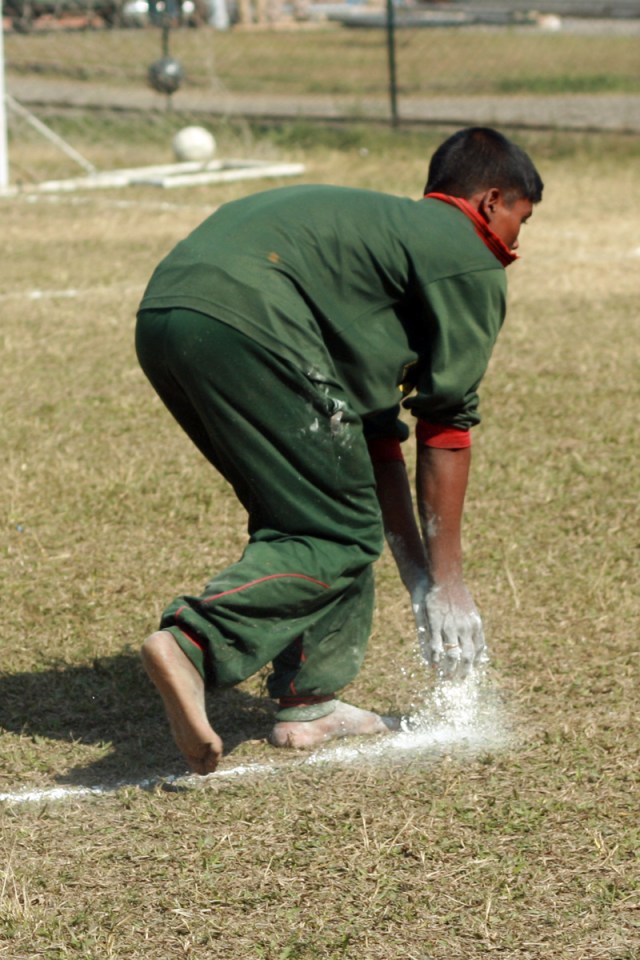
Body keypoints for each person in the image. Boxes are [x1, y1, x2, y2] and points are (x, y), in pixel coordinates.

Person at [135, 126, 543, 775]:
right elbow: (446, 428)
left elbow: (373, 440)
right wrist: (450, 586)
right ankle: (196, 643)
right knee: (338, 528)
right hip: (248, 318)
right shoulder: (465, 251)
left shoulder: (381, 248)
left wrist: (419, 577)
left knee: (309, 506)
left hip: (167, 315)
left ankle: (310, 698)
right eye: (524, 219)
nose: (519, 243)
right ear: (493, 201)